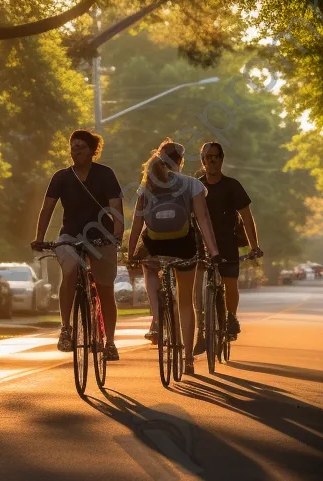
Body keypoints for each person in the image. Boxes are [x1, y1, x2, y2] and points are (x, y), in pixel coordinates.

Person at [127, 139, 222, 376]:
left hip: (155, 245)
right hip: (184, 245)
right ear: (181, 162)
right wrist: (214, 252)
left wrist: (130, 255)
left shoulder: (147, 184)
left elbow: (137, 223)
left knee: (150, 269)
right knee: (185, 301)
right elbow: (203, 220)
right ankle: (188, 360)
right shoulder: (192, 184)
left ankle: (158, 317)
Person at [31, 129, 123, 360]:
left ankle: (110, 342)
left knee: (105, 289)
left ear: (93, 150)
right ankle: (65, 329)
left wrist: (117, 236)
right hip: (70, 236)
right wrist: (40, 237)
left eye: (81, 146)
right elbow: (47, 209)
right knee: (70, 270)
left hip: (102, 237)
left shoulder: (105, 174)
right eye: (73, 146)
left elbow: (116, 208)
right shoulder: (61, 177)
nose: (77, 150)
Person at [198, 141, 261, 342]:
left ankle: (231, 317)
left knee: (230, 283)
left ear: (222, 160)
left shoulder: (232, 186)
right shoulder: (196, 187)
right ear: (203, 161)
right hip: (202, 245)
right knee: (197, 286)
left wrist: (254, 246)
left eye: (217, 157)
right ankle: (201, 325)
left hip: (227, 242)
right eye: (209, 157)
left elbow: (247, 217)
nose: (213, 161)